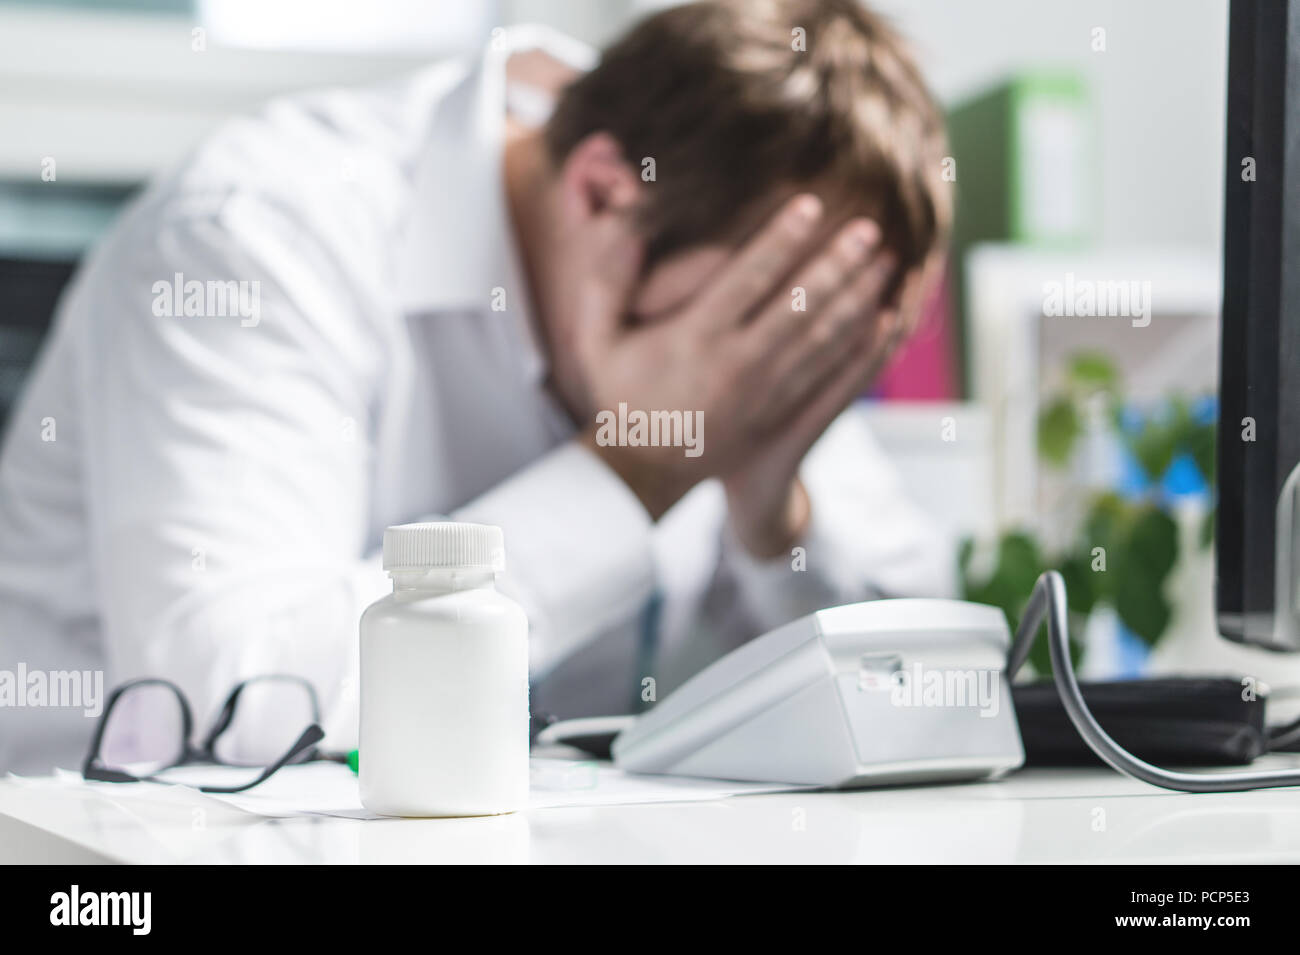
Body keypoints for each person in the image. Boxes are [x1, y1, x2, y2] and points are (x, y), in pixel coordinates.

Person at [0, 0, 955, 774]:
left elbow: (923, 701)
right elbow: (234, 705)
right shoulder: (257, 235)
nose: (757, 384)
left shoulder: (758, 275)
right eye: (755, 343)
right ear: (600, 196)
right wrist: (637, 467)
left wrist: (770, 507)